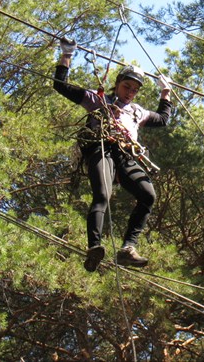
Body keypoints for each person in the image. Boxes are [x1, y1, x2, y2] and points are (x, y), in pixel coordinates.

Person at [53, 37, 173, 272]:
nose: (130, 93)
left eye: (135, 90)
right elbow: (60, 85)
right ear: (117, 83)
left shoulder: (137, 112)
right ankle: (94, 247)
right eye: (127, 87)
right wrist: (67, 55)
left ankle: (128, 248)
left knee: (148, 195)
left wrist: (165, 91)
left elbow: (163, 119)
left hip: (126, 155)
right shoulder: (99, 100)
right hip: (101, 147)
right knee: (103, 195)